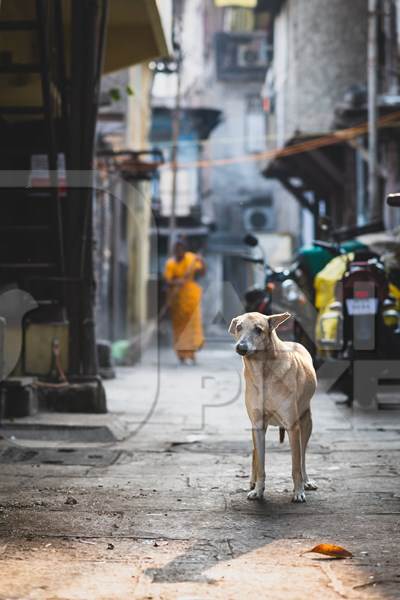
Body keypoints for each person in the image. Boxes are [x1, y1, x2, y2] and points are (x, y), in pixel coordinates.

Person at [164, 238, 206, 364]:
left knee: (191, 326)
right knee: (180, 327)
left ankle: (192, 354)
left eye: (180, 249)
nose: (178, 251)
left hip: (191, 297)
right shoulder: (170, 263)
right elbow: (167, 280)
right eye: (176, 249)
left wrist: (202, 261)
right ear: (173, 251)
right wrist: (177, 281)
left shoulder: (191, 258)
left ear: (184, 250)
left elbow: (202, 272)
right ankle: (181, 354)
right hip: (177, 299)